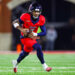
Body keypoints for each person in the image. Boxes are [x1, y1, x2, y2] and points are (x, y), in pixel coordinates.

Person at [12, 2, 52, 73]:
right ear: (31, 11)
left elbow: (44, 32)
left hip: (32, 38)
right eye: (35, 11)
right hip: (24, 38)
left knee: (25, 53)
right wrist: (21, 29)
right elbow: (15, 22)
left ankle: (16, 63)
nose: (36, 13)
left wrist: (36, 34)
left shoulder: (41, 19)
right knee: (38, 47)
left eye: (38, 11)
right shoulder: (25, 16)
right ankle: (45, 66)